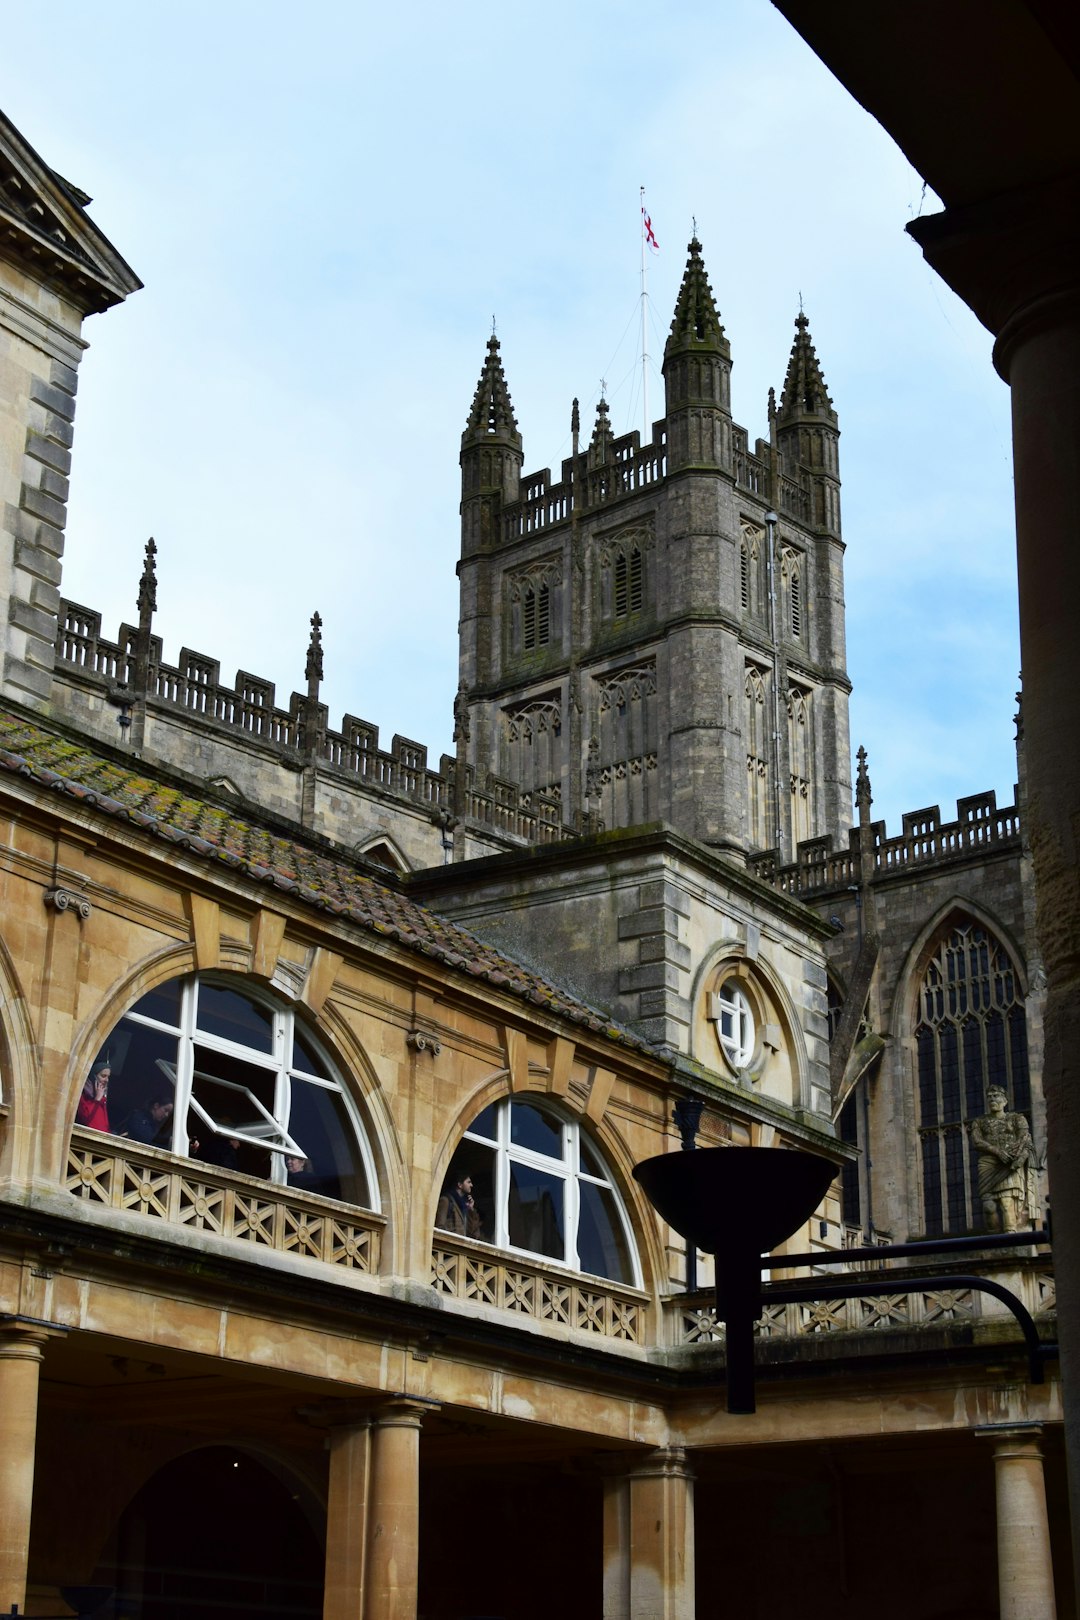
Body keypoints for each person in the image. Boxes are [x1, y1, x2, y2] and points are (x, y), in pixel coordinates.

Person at [968, 1084, 1039, 1232]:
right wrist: (997, 1151)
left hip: (1009, 1163)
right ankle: (995, 1238)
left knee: (1007, 1203)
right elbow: (977, 1141)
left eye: (996, 1096)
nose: (992, 1099)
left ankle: (1010, 1236)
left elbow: (1024, 1138)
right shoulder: (979, 1121)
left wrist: (1016, 1158)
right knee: (989, 1207)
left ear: (1005, 1100)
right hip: (988, 1163)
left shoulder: (1016, 1118)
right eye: (989, 1097)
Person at [436, 1172, 483, 1240]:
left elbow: (473, 1233)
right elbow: (439, 1228)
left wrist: (471, 1209)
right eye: (468, 1182)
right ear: (460, 1185)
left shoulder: (465, 1206)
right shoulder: (446, 1200)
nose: (471, 1185)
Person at [76, 1065, 112, 1133]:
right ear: (94, 1076)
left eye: (108, 1077)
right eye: (103, 1076)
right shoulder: (83, 1095)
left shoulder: (102, 1099)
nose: (107, 1080)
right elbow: (85, 1120)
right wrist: (97, 1100)